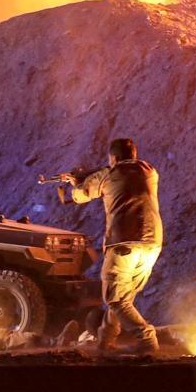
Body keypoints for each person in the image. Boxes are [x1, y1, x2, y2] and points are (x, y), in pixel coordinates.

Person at [62, 137, 162, 353]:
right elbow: (124, 173)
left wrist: (76, 183)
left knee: (114, 298)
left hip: (124, 242)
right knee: (123, 297)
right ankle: (105, 340)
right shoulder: (149, 171)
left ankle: (146, 339)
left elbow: (80, 195)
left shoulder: (109, 174)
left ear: (113, 158)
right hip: (152, 243)